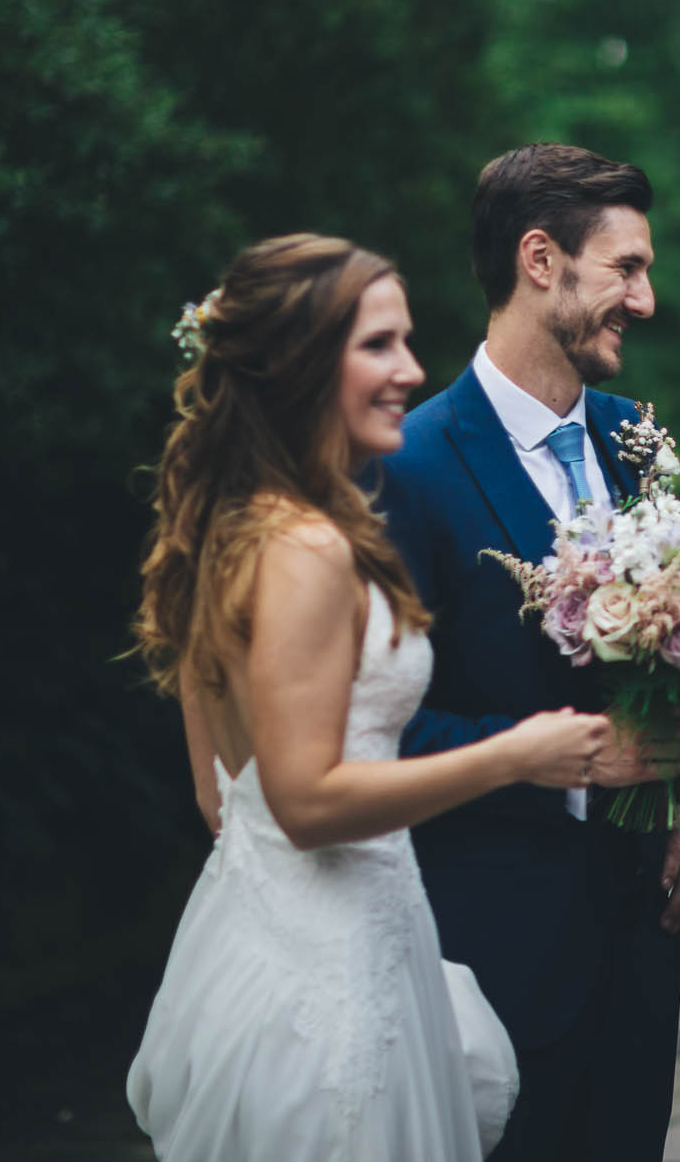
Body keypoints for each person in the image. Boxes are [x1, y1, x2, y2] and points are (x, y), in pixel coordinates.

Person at [128, 234, 613, 1159]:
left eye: (406, 343)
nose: (412, 371)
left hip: (270, 947)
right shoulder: (307, 550)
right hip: (332, 980)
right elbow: (303, 800)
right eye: (378, 345)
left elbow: (220, 795)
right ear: (298, 364)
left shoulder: (232, 529)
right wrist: (516, 754)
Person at [374, 144, 680, 1162]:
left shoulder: (635, 441)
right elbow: (376, 727)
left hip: (640, 942)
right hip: (489, 943)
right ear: (540, 260)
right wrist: (566, 763)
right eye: (625, 267)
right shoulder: (409, 464)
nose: (647, 299)